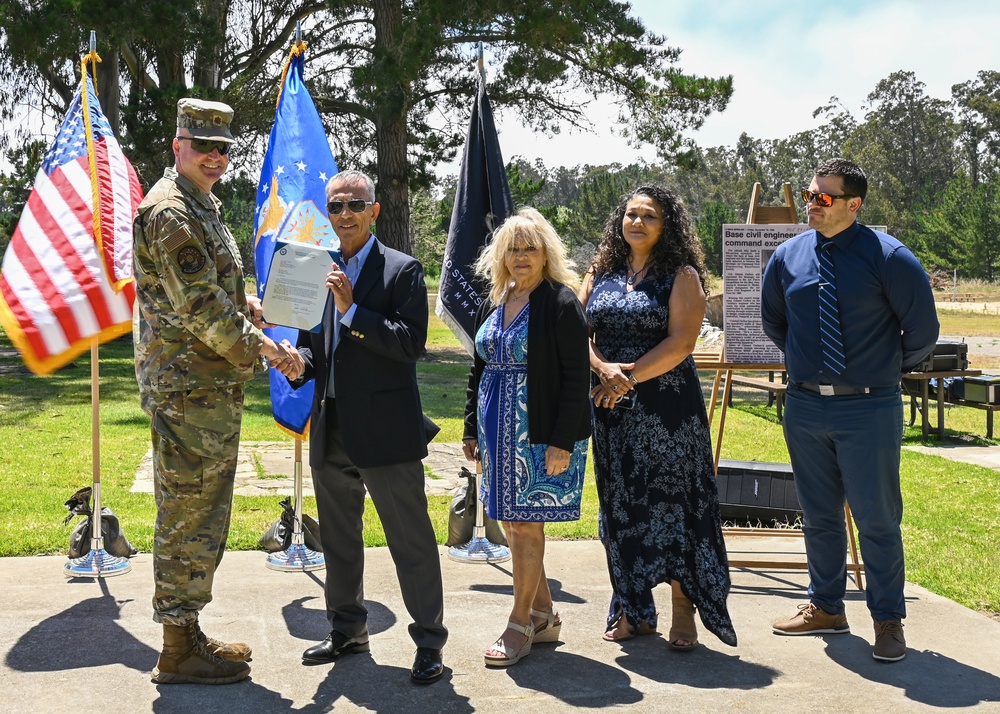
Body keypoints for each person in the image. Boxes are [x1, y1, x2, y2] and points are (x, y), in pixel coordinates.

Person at [134, 98, 302, 685]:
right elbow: (200, 307)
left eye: (224, 148)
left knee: (201, 509)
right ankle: (177, 650)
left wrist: (249, 304)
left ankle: (186, 630)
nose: (214, 157)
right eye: (202, 145)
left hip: (203, 386)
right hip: (189, 389)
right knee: (188, 512)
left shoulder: (200, 204)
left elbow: (212, 288)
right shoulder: (173, 211)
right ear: (177, 143)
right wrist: (267, 347)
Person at [761, 158, 938, 663]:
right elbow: (777, 323)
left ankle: (887, 620)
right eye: (810, 194)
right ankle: (826, 607)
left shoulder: (891, 258)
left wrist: (875, 371)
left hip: (869, 409)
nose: (811, 204)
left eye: (823, 198)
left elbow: (921, 334)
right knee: (817, 516)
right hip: (805, 406)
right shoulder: (787, 257)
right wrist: (810, 370)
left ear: (853, 204)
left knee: (877, 518)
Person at [285, 170, 447, 684]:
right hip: (330, 426)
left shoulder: (402, 270)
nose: (345, 215)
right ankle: (348, 630)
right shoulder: (318, 269)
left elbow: (408, 344)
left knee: (410, 540)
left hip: (386, 432)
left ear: (375, 211)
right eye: (336, 207)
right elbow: (316, 348)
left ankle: (428, 643)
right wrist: (297, 363)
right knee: (337, 539)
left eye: (355, 205)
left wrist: (351, 308)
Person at [581, 185, 737, 652]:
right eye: (631, 214)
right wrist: (603, 370)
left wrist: (625, 376)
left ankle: (683, 610)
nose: (638, 222)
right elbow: (577, 329)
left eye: (649, 215)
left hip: (668, 413)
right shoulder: (601, 271)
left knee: (675, 508)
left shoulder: (680, 274)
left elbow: (682, 343)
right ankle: (633, 608)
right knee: (622, 507)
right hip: (611, 411)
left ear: (666, 224)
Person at [462, 208, 591, 667]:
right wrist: (470, 427)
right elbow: (479, 368)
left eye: (530, 248)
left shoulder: (560, 302)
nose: (520, 257)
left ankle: (519, 623)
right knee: (512, 523)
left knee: (527, 523)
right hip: (497, 430)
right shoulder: (496, 299)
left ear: (545, 255)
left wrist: (563, 441)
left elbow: (577, 378)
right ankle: (544, 613)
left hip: (539, 433)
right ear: (501, 254)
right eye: (513, 248)